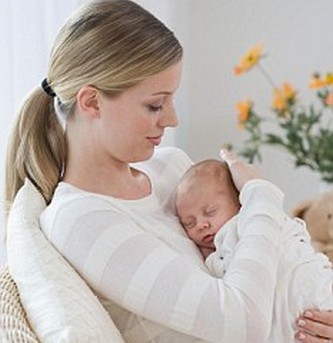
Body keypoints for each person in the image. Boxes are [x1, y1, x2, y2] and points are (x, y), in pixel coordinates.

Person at [4, 0, 333, 341]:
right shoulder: (80, 219)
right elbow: (241, 324)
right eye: (155, 105)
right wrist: (261, 195)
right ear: (91, 102)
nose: (172, 118)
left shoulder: (171, 168)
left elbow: (255, 254)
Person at [175, 158, 333, 342]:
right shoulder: (215, 255)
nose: (202, 224)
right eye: (189, 223)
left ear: (241, 204)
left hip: (307, 285)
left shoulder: (250, 223)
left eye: (210, 211)